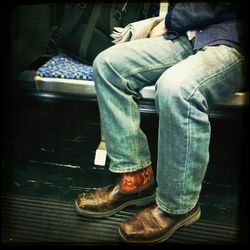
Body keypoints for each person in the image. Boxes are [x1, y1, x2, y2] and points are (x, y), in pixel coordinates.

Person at [74, 1, 246, 244]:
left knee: (177, 88)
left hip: (231, 38)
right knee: (108, 64)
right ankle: (136, 178)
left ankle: (178, 205)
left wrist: (168, 21)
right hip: (188, 35)